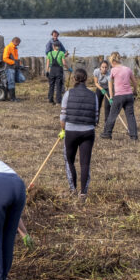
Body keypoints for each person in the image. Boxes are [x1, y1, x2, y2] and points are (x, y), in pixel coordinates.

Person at [61, 68, 98, 198]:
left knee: (69, 160)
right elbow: (96, 118)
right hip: (88, 132)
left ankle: (73, 189)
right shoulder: (93, 95)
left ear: (74, 79)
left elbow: (62, 117)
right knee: (85, 163)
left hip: (70, 132)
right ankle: (83, 193)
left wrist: (63, 130)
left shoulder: (68, 94)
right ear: (86, 79)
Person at [101, 52, 138, 140]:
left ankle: (107, 133)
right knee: (130, 116)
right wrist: (134, 92)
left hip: (119, 96)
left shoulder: (113, 70)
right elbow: (135, 82)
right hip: (129, 95)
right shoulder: (128, 69)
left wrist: (111, 97)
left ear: (113, 61)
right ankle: (134, 135)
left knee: (112, 115)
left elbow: (110, 85)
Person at [92, 59, 112, 126]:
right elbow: (96, 83)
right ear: (100, 67)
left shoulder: (109, 74)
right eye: (103, 67)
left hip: (107, 88)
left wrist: (111, 97)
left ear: (108, 67)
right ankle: (96, 121)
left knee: (107, 106)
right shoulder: (96, 71)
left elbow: (110, 86)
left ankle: (107, 123)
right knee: (97, 105)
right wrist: (101, 89)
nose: (104, 69)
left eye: (106, 67)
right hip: (99, 87)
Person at [2, 36, 22, 101]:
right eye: (18, 43)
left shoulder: (15, 48)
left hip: (14, 67)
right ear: (15, 42)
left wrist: (19, 63)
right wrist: (13, 62)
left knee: (20, 79)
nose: (18, 45)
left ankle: (9, 95)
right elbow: (5, 58)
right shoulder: (8, 47)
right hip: (9, 68)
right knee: (11, 82)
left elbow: (15, 58)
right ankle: (12, 98)